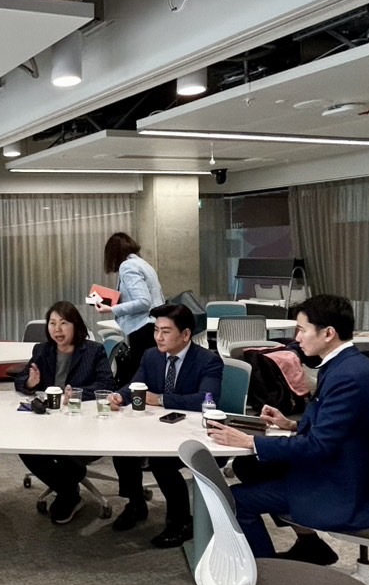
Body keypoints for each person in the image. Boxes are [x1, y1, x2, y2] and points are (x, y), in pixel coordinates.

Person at [205, 294, 369, 562]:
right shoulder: (346, 364)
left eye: (302, 330)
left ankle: (268, 573)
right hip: (344, 463)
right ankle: (310, 544)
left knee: (235, 499)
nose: (297, 338)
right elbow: (339, 426)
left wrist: (250, 441)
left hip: (343, 484)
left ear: (328, 333)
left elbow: (319, 446)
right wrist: (291, 424)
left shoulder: (348, 377)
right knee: (248, 466)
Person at [106, 304, 224, 544]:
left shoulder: (208, 361)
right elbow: (136, 385)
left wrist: (160, 399)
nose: (158, 337)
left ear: (186, 334)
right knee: (122, 448)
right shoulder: (151, 356)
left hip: (193, 432)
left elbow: (205, 400)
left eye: (166, 331)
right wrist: (120, 396)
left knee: (162, 462)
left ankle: (181, 521)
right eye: (156, 330)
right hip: (158, 427)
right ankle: (136, 503)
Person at [12, 301, 116, 524]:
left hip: (82, 423)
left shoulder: (93, 350)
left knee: (69, 456)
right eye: (52, 323)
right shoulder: (42, 350)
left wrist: (78, 393)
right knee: (25, 448)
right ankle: (69, 491)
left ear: (76, 325)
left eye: (63, 323)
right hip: (48, 422)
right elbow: (20, 380)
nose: (57, 329)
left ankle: (67, 493)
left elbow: (107, 385)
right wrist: (30, 383)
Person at [95, 231, 165, 386]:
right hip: (154, 325)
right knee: (151, 375)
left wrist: (112, 309)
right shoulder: (143, 264)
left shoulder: (127, 266)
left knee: (140, 380)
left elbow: (143, 301)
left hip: (142, 327)